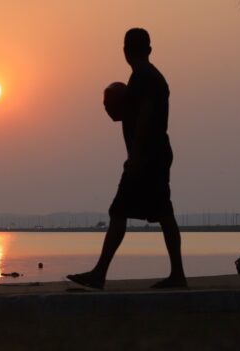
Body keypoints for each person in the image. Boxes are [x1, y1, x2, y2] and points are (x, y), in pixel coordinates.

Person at [67, 28, 186, 290]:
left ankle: (100, 274)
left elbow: (145, 116)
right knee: (160, 212)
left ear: (125, 51)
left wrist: (135, 156)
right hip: (152, 154)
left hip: (147, 156)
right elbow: (133, 113)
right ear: (149, 49)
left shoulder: (145, 77)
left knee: (123, 211)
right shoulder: (144, 77)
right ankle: (176, 274)